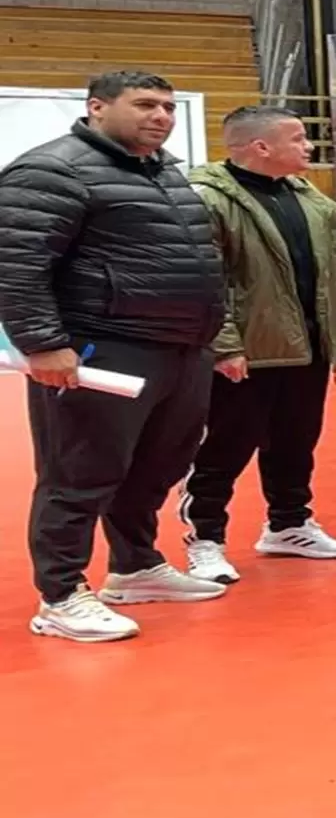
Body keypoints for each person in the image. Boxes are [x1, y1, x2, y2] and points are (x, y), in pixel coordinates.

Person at [0, 72, 229, 641]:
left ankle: (135, 567)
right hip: (102, 346)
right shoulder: (52, 169)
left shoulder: (164, 172)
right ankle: (60, 595)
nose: (161, 116)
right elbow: (16, 265)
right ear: (97, 107)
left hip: (180, 347)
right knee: (79, 474)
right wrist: (43, 344)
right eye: (145, 105)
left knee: (159, 465)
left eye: (168, 107)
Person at [180, 106, 336, 584]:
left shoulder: (311, 199)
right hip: (248, 350)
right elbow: (203, 281)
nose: (309, 146)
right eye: (298, 138)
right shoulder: (206, 198)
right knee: (224, 448)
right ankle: (206, 539)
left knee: (295, 442)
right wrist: (225, 345)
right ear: (261, 146)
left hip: (308, 346)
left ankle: (288, 525)